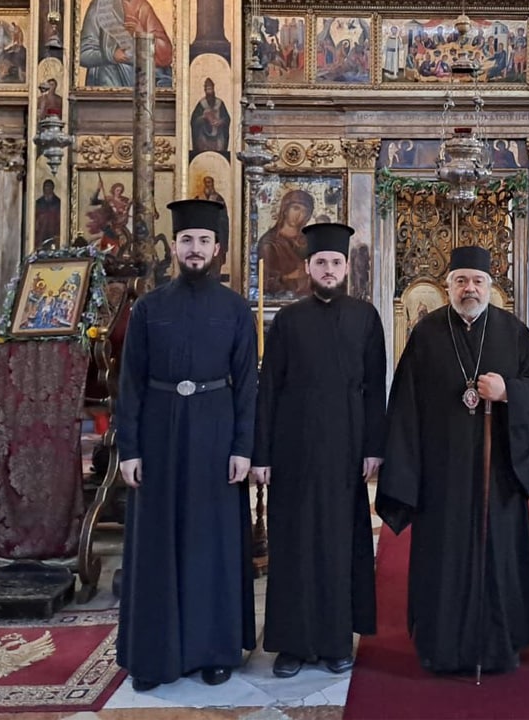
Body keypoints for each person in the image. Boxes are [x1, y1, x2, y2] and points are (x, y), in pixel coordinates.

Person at [377, 246, 529, 675]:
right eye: (461, 281)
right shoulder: (426, 333)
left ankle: (501, 644)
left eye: (477, 281)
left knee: (498, 555)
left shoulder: (512, 331)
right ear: (447, 286)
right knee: (443, 556)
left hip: (498, 470)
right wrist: (407, 472)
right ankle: (440, 647)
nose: (469, 288)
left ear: (490, 286)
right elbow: (405, 405)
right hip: (442, 472)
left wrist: (508, 392)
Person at [114, 198, 257, 691]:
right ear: (174, 247)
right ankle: (153, 656)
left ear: (217, 249)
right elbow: (130, 383)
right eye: (187, 240)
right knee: (157, 544)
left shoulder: (235, 309)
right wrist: (129, 448)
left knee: (211, 544)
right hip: (157, 433)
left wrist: (243, 447)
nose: (195, 249)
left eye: (204, 240)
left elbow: (248, 384)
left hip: (216, 433)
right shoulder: (149, 308)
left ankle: (215, 651)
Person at [254, 222, 387, 679]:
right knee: (292, 545)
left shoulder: (366, 317)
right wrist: (262, 453)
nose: (328, 269)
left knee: (337, 545)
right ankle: (292, 645)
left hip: (345, 448)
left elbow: (375, 387)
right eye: (321, 262)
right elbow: (269, 388)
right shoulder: (288, 320)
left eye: (335, 262)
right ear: (308, 267)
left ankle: (335, 642)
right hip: (292, 448)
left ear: (346, 268)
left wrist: (373, 447)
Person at [79, 0, 173, 88]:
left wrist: (142, 34)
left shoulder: (142, 7)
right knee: (106, 70)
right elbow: (83, 54)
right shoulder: (100, 7)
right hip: (110, 78)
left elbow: (166, 55)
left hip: (143, 79)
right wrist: (111, 55)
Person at [257, 189, 315, 297]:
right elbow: (266, 281)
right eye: (295, 208)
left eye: (304, 211)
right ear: (285, 209)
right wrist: (288, 276)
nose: (299, 215)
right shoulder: (269, 242)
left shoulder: (309, 240)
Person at [190, 77, 231, 155]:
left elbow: (227, 118)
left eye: (210, 89)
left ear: (213, 89)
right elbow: (194, 121)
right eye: (207, 89)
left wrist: (220, 122)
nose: (209, 92)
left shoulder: (220, 103)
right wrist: (203, 118)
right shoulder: (202, 104)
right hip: (204, 137)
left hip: (218, 136)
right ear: (205, 90)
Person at [34, 179, 62, 245]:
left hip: (53, 230)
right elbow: (36, 217)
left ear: (52, 188)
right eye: (45, 187)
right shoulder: (39, 202)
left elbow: (60, 218)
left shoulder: (58, 202)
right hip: (41, 232)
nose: (46, 189)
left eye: (48, 186)